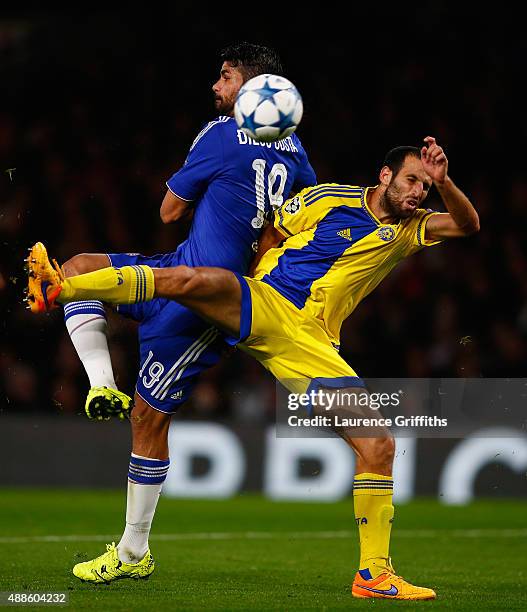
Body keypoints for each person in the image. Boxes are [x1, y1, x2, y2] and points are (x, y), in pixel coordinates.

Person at [27, 136, 479, 599]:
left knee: (378, 443)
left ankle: (374, 575)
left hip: (310, 342)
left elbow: (468, 225)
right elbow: (274, 232)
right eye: (412, 180)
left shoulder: (412, 228)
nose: (418, 192)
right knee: (190, 280)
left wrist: (446, 183)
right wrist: (259, 275)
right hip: (265, 303)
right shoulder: (330, 197)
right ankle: (61, 287)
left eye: (425, 186)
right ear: (385, 176)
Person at [31, 42, 316, 583]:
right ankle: (99, 384)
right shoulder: (298, 155)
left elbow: (168, 210)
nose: (216, 86)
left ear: (251, 88)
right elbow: (289, 228)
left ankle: (134, 552)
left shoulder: (223, 134)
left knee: (149, 417)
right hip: (184, 271)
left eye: (226, 76)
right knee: (78, 268)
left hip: (199, 303)